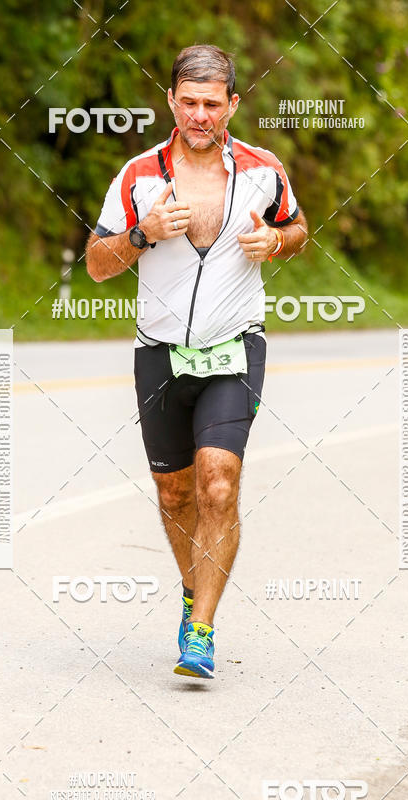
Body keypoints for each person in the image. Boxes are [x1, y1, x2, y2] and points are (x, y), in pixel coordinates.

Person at [87, 44, 307, 679]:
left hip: (236, 345)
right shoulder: (138, 176)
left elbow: (297, 229)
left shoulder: (265, 171)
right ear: (171, 103)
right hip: (159, 353)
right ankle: (193, 593)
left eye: (213, 104)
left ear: (232, 105)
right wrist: (142, 233)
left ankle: (202, 631)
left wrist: (276, 240)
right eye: (190, 103)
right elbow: (97, 266)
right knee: (175, 490)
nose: (201, 115)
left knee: (218, 481)